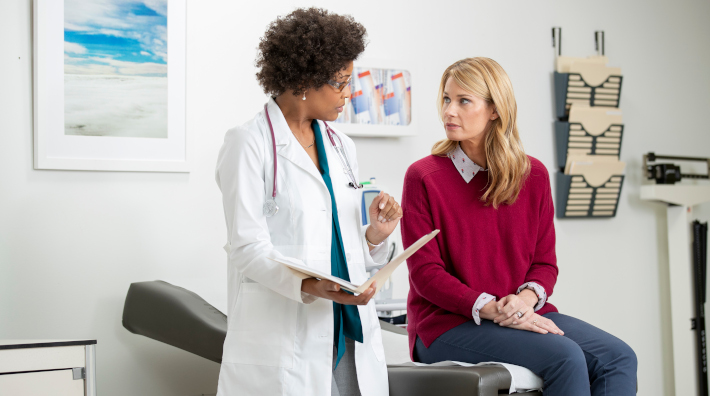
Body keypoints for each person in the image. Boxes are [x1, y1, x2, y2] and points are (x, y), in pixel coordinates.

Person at [400, 57, 637, 396]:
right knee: (566, 356)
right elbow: (426, 275)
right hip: (446, 325)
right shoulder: (424, 177)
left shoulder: (534, 176)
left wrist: (525, 301)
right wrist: (491, 307)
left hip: (518, 314)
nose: (449, 111)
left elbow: (544, 263)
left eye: (463, 101)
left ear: (495, 109)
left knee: (618, 357)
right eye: (446, 99)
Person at [214, 8, 401, 396]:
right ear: (303, 80)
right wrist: (312, 286)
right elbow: (246, 248)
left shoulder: (341, 146)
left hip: (346, 326)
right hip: (286, 330)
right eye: (339, 83)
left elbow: (340, 241)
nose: (348, 95)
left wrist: (375, 236)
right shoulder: (248, 143)